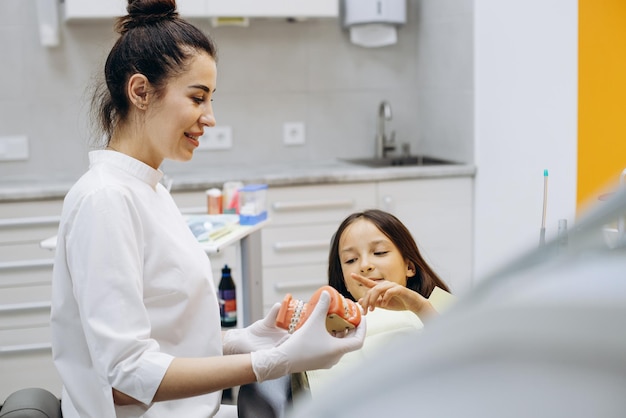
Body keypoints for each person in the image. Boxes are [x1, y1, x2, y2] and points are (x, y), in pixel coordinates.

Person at [49, 1, 365, 417]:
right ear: (141, 91)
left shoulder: (149, 190)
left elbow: (162, 334)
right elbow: (126, 375)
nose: (210, 118)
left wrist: (241, 339)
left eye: (211, 99)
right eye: (198, 98)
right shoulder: (106, 200)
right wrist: (268, 363)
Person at [328, 209, 454, 319]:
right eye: (351, 260)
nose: (365, 265)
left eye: (379, 252)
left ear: (409, 267)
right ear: (344, 281)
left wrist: (421, 308)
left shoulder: (443, 304)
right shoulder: (334, 325)